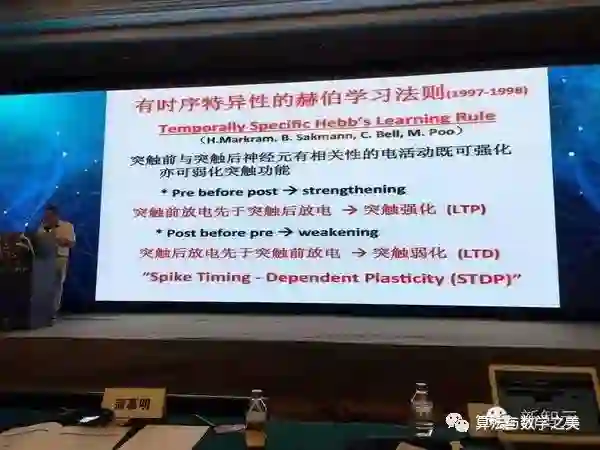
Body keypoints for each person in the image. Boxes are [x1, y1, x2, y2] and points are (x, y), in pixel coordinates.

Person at [37, 205, 76, 319]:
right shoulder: (42, 227)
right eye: (46, 215)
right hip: (45, 258)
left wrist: (58, 240)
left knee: (57, 285)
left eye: (49, 215)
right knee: (45, 285)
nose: (47, 218)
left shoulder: (67, 226)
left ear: (56, 215)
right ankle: (43, 310)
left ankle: (53, 311)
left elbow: (71, 243)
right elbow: (38, 241)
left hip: (60, 258)